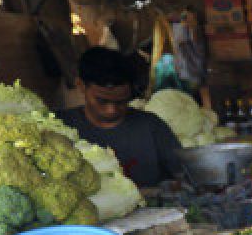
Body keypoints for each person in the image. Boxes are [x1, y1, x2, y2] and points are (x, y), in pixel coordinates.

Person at [59, 47, 183, 188]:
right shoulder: (61, 127)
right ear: (81, 85)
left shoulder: (152, 126)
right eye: (102, 101)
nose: (111, 110)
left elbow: (182, 176)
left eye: (121, 101)